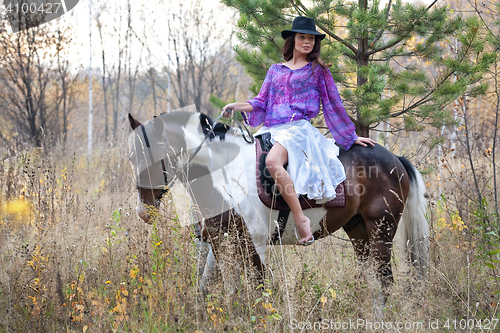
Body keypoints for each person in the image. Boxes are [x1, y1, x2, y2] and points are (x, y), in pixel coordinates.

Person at [222, 16, 376, 246]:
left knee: (273, 162)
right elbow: (260, 102)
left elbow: (333, 104)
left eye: (311, 38)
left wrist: (350, 137)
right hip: (272, 129)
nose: (307, 42)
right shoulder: (275, 71)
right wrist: (235, 105)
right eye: (302, 37)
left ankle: (300, 219)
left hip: (298, 130)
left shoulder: (317, 71)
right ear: (292, 40)